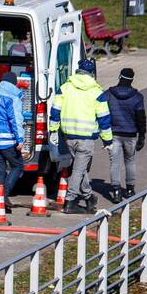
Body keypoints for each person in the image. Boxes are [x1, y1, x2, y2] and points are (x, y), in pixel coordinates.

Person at [48, 57, 113, 213]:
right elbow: (104, 118)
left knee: (80, 168)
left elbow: (55, 111)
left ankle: (89, 197)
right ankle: (70, 201)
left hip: (68, 136)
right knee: (78, 169)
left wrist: (53, 129)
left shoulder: (64, 88)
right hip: (86, 139)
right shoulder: (97, 92)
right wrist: (108, 140)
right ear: (91, 73)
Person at [0, 71, 30, 209]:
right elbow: (15, 120)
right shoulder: (12, 97)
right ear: (14, 83)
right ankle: (4, 195)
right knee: (17, 166)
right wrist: (20, 139)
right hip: (7, 140)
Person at [105, 67, 147, 201]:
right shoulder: (137, 97)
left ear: (119, 77)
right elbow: (141, 118)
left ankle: (116, 191)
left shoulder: (108, 94)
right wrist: (142, 136)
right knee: (130, 161)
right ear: (132, 80)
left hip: (113, 134)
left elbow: (103, 113)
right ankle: (129, 189)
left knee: (115, 162)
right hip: (130, 134)